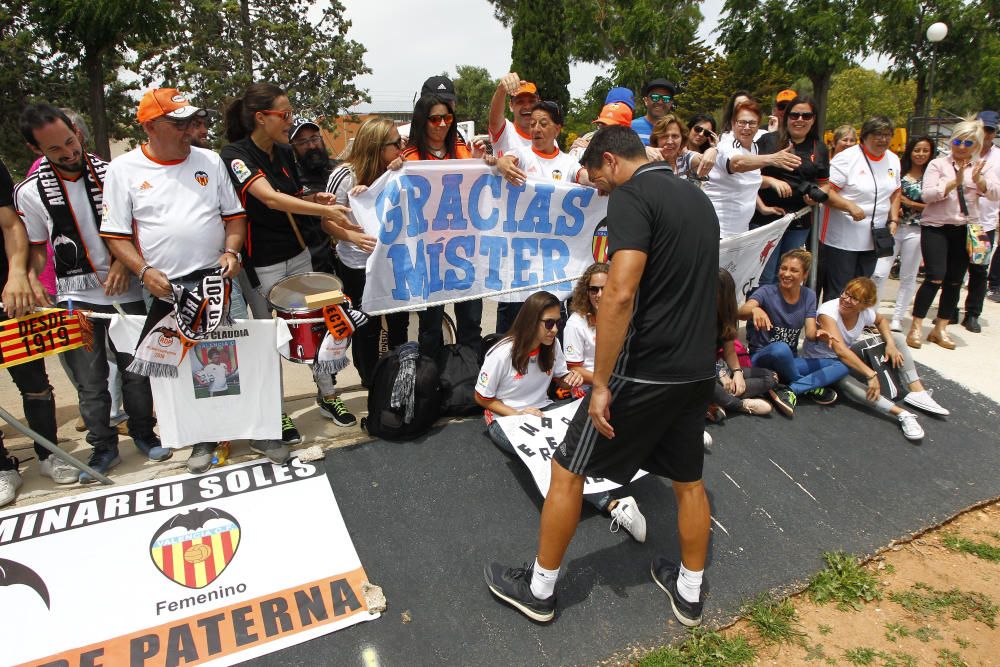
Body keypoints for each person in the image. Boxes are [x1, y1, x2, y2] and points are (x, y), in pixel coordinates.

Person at [485, 126, 719, 627]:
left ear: (611, 160)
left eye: (597, 179)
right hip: (697, 367)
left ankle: (539, 590)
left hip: (646, 368)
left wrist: (603, 383)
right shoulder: (696, 198)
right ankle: (690, 592)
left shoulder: (633, 196)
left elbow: (617, 292)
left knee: (566, 471)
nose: (598, 189)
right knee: (689, 484)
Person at [16, 103, 170, 484]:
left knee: (137, 371)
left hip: (125, 290)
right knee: (90, 380)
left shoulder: (114, 174)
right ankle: (103, 448)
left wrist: (123, 263)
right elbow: (37, 247)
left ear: (76, 130)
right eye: (55, 150)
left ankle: (144, 435)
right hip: (76, 298)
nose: (69, 153)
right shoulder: (30, 192)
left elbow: (136, 227)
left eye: (71, 141)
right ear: (38, 152)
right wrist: (31, 276)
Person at [99, 88, 250, 474]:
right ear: (150, 126)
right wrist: (144, 272)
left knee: (231, 360)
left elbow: (234, 217)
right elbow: (115, 234)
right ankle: (201, 438)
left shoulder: (210, 160)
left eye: (192, 122)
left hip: (218, 282)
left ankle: (245, 427)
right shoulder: (123, 170)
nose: (190, 130)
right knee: (184, 368)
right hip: (168, 289)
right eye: (179, 123)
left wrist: (231, 252)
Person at [219, 82, 356, 435]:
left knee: (319, 327)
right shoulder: (235, 154)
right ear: (261, 117)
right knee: (267, 339)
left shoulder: (282, 151)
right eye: (285, 114)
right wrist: (315, 206)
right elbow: (271, 200)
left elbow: (292, 194)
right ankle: (274, 411)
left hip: (298, 255)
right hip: (261, 263)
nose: (289, 121)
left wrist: (317, 198)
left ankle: (328, 394)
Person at [475, 290, 646, 542]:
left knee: (586, 429)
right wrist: (518, 412)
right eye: (549, 323)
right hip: (505, 419)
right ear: (531, 321)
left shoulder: (551, 345)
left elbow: (560, 376)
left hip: (543, 409)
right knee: (558, 456)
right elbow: (481, 398)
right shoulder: (502, 353)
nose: (555, 329)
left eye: (558, 322)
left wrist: (571, 378)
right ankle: (611, 504)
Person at [802, 277, 949, 440]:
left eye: (854, 298)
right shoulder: (828, 311)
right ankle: (902, 414)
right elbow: (840, 350)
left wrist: (890, 344)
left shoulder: (865, 312)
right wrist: (870, 375)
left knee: (897, 338)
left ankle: (917, 391)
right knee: (845, 380)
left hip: (847, 356)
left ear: (864, 305)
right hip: (824, 362)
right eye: (846, 293)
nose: (845, 300)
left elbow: (881, 321)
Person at [392, 93, 480, 356]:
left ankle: (470, 381)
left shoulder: (463, 152)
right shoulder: (409, 158)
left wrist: (487, 163)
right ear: (422, 121)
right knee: (430, 328)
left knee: (471, 323)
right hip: (429, 258)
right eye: (435, 119)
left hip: (465, 252)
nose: (442, 124)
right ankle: (431, 384)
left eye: (447, 117)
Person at [493, 101, 589, 333]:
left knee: (549, 330)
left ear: (558, 129)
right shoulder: (522, 155)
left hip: (553, 264)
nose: (536, 128)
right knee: (512, 335)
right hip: (520, 264)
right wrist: (501, 163)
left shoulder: (568, 163)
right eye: (533, 123)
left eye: (543, 124)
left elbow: (585, 177)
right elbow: (506, 161)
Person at [907, 119, 1000, 349]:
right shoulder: (938, 164)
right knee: (934, 277)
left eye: (968, 143)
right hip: (936, 227)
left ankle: (941, 327)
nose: (961, 146)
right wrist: (952, 184)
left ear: (976, 145)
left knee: (955, 281)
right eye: (958, 141)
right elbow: (926, 196)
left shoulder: (982, 166)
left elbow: (995, 194)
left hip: (965, 229)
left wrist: (978, 180)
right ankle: (916, 326)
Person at [325, 118, 401, 386]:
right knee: (366, 327)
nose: (401, 148)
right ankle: (372, 383)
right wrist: (352, 236)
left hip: (393, 263)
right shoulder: (344, 176)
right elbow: (327, 220)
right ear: (379, 147)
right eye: (396, 143)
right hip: (357, 265)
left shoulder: (395, 171)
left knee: (398, 323)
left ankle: (397, 378)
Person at [0, 157, 58, 506]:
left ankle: (49, 455)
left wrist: (17, 274)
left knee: (33, 382)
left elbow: (10, 225)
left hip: (7, 291)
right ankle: (3, 468)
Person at [739, 249, 843, 417]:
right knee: (780, 348)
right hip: (762, 358)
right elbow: (742, 310)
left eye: (794, 270)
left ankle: (792, 388)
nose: (786, 274)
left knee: (841, 364)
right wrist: (755, 310)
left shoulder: (809, 295)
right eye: (783, 268)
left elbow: (809, 332)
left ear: (804, 275)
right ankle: (806, 385)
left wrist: (819, 334)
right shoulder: (766, 291)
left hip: (790, 361)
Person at [817, 116, 901, 302]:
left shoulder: (893, 159)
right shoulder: (847, 158)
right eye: (877, 135)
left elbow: (896, 191)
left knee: (860, 288)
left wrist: (893, 218)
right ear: (864, 136)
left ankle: (851, 328)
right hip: (842, 239)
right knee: (839, 290)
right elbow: (825, 192)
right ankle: (829, 327)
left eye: (887, 135)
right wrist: (848, 206)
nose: (883, 140)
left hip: (874, 237)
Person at [751, 95, 830, 285]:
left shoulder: (819, 148)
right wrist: (771, 180)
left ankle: (780, 315)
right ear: (786, 118)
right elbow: (747, 178)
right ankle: (758, 315)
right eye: (794, 115)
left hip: (799, 221)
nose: (800, 120)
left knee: (787, 276)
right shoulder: (768, 141)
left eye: (806, 116)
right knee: (765, 275)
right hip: (766, 220)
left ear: (814, 119)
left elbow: (824, 183)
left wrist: (816, 196)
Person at [702, 99, 801, 238]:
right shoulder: (727, 144)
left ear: (758, 125)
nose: (746, 127)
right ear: (733, 123)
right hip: (717, 229)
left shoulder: (753, 147)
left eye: (752, 123)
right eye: (742, 122)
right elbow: (737, 164)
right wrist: (772, 159)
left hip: (739, 231)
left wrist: (763, 207)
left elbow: (748, 180)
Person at [872, 136, 936, 332]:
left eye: (925, 150)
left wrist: (909, 204)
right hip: (893, 227)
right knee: (879, 273)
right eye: (917, 149)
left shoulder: (933, 175)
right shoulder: (897, 170)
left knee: (908, 275)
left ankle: (898, 318)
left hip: (917, 229)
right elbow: (889, 194)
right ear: (910, 151)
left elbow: (937, 203)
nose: (921, 154)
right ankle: (873, 314)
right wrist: (895, 208)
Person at [711, 269, 774, 417]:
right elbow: (692, 357)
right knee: (703, 382)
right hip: (701, 372)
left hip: (720, 370)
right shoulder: (695, 313)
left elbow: (730, 351)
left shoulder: (727, 315)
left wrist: (737, 373)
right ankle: (740, 405)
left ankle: (718, 400)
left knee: (770, 377)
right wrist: (719, 372)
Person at [289, 119, 338, 275]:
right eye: (302, 142)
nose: (311, 146)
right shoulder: (291, 179)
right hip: (314, 264)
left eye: (314, 139)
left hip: (350, 257)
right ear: (293, 147)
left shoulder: (341, 169)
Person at [964, 110, 1000, 326]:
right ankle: (948, 311)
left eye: (990, 130)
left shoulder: (998, 158)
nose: (985, 135)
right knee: (955, 268)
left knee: (978, 268)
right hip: (959, 220)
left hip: (983, 224)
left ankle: (972, 313)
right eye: (982, 129)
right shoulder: (964, 150)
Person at [488, 73, 539, 155]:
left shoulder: (548, 139)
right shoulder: (506, 132)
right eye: (520, 102)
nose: (527, 106)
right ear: (511, 106)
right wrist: (501, 89)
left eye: (532, 101)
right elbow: (494, 121)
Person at [631, 78, 677, 145]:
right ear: (646, 101)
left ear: (671, 103)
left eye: (666, 98)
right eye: (655, 97)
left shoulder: (675, 130)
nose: (660, 102)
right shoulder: (631, 127)